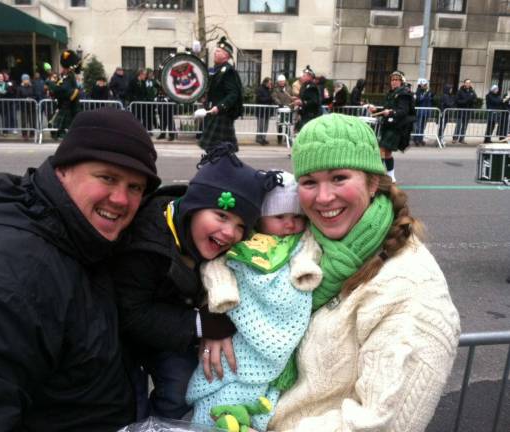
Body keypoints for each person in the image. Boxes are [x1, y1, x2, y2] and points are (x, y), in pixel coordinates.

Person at [0, 108, 161, 431]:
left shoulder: (85, 241)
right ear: (62, 171)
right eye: (107, 177)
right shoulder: (2, 277)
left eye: (135, 187)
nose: (122, 199)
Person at [263, 113, 461, 432]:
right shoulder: (300, 242)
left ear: (372, 183)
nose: (324, 197)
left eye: (339, 177)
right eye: (309, 181)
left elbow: (382, 422)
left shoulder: (411, 287)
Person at [111, 146, 275, 421]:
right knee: (126, 403)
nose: (229, 233)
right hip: (124, 334)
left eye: (240, 226)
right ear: (192, 208)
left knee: (181, 389)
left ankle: (165, 424)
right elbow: (130, 312)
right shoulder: (145, 241)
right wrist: (201, 324)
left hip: (175, 330)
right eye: (221, 216)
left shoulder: (221, 246)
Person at [186, 171, 323, 431]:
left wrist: (303, 271)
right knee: (224, 380)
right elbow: (217, 269)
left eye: (297, 217)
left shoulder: (301, 242)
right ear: (260, 220)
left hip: (285, 316)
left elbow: (308, 256)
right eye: (279, 217)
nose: (290, 225)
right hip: (239, 326)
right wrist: (222, 297)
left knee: (261, 398)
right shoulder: (243, 244)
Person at [368, 70, 415, 183]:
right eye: (392, 80)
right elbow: (386, 108)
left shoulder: (404, 93)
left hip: (397, 126)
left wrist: (391, 113)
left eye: (396, 80)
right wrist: (377, 110)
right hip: (388, 125)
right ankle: (391, 177)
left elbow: (403, 111)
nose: (393, 82)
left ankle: (377, 176)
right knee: (387, 153)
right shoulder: (391, 93)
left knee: (381, 150)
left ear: (401, 81)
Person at [200, 36, 244, 152]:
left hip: (222, 115)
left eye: (218, 51)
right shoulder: (218, 70)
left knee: (220, 151)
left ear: (226, 55)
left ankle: (222, 169)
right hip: (215, 114)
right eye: (216, 50)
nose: (215, 52)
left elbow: (233, 94)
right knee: (217, 151)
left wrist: (219, 107)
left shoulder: (228, 71)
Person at [46, 49, 82, 139]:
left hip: (69, 109)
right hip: (64, 107)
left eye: (64, 68)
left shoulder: (70, 77)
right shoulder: (64, 77)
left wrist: (51, 84)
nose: (62, 69)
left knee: (69, 136)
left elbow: (64, 91)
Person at [293, 65, 321, 132]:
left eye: (304, 76)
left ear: (309, 77)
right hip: (303, 114)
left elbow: (314, 101)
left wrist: (301, 102)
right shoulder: (304, 86)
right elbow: (303, 98)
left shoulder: (312, 87)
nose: (302, 77)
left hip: (310, 115)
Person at [453, 78, 477, 144]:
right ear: (464, 83)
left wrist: (472, 101)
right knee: (458, 125)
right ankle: (455, 138)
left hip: (468, 111)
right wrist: (465, 101)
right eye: (467, 83)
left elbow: (475, 99)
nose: (468, 84)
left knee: (464, 126)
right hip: (460, 111)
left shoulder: (472, 91)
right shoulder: (460, 91)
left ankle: (462, 139)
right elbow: (457, 101)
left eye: (469, 83)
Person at [271, 74, 294, 145]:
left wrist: (292, 105)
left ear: (285, 81)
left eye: (282, 81)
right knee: (280, 125)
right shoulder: (276, 89)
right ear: (278, 82)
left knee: (288, 124)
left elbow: (292, 97)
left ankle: (288, 139)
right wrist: (279, 103)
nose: (281, 82)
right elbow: (274, 97)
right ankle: (279, 139)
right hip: (280, 109)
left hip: (288, 109)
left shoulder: (289, 88)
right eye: (280, 81)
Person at [16, 73, 36, 141]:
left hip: (32, 106)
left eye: (27, 79)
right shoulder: (19, 88)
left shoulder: (32, 87)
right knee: (24, 121)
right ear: (22, 80)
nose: (26, 81)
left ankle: (32, 133)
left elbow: (35, 95)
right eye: (25, 79)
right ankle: (24, 134)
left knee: (32, 120)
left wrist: (31, 99)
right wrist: (25, 99)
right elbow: (18, 97)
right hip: (23, 107)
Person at [413, 78, 433, 146]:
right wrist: (425, 94)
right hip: (420, 112)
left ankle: (420, 139)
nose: (426, 86)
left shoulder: (428, 92)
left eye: (426, 84)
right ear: (420, 85)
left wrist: (429, 94)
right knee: (418, 126)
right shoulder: (418, 92)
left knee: (423, 126)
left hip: (426, 112)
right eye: (424, 85)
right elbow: (418, 100)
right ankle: (416, 139)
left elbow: (431, 100)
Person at [255, 77, 273, 145]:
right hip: (261, 111)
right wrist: (269, 99)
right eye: (269, 83)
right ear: (265, 82)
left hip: (267, 111)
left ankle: (263, 138)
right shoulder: (260, 89)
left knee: (265, 126)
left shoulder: (269, 90)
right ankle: (259, 138)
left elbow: (271, 99)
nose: (270, 84)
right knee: (261, 126)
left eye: (270, 83)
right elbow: (260, 99)